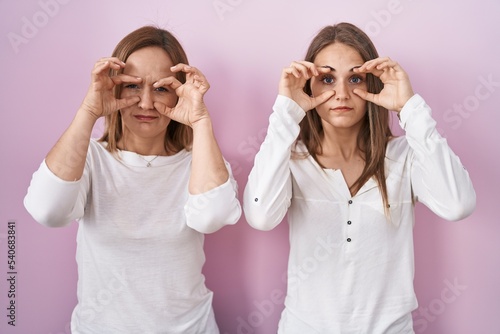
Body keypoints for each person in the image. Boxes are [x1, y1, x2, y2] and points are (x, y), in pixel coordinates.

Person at [243, 22, 476, 333]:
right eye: (327, 79)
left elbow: (458, 204)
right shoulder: (291, 158)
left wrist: (410, 107)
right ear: (310, 86)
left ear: (373, 85)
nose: (341, 93)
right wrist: (286, 112)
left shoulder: (405, 156)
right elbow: (260, 215)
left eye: (355, 78)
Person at [24, 26, 241, 333]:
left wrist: (200, 121)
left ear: (179, 92)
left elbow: (212, 216)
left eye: (162, 88)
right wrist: (89, 110)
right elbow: (47, 210)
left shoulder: (202, 161)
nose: (146, 103)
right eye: (133, 86)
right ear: (115, 88)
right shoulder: (89, 159)